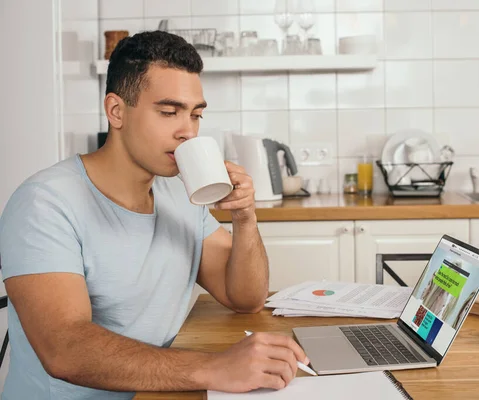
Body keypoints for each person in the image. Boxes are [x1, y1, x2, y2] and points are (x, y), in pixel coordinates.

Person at [0, 31, 307, 399]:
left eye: (196, 115)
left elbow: (245, 298)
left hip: (156, 391)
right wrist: (214, 367)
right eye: (168, 112)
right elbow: (64, 349)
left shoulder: (178, 191)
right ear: (116, 111)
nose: (188, 132)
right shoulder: (44, 204)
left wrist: (244, 219)